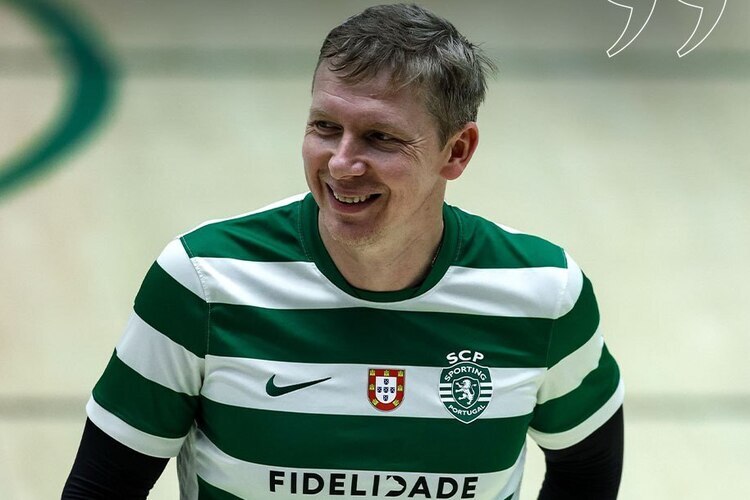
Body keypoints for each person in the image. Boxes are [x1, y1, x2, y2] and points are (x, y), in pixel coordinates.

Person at [63, 4, 623, 499]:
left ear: (457, 151)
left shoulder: (544, 294)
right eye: (326, 127)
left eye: (380, 137)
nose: (341, 163)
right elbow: (101, 489)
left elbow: (586, 469)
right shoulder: (204, 281)